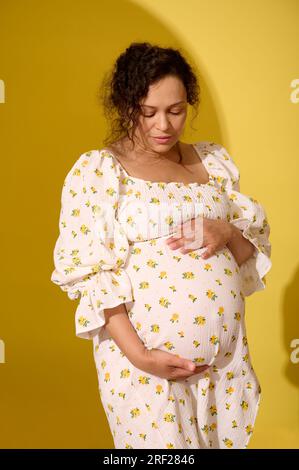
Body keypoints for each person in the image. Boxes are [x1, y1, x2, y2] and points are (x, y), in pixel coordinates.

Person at [50, 42, 272, 449]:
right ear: (124, 105)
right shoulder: (99, 172)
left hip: (220, 367)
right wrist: (140, 356)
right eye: (147, 111)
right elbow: (94, 278)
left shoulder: (212, 163)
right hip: (145, 366)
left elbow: (245, 260)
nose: (164, 125)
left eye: (176, 109)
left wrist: (226, 232)